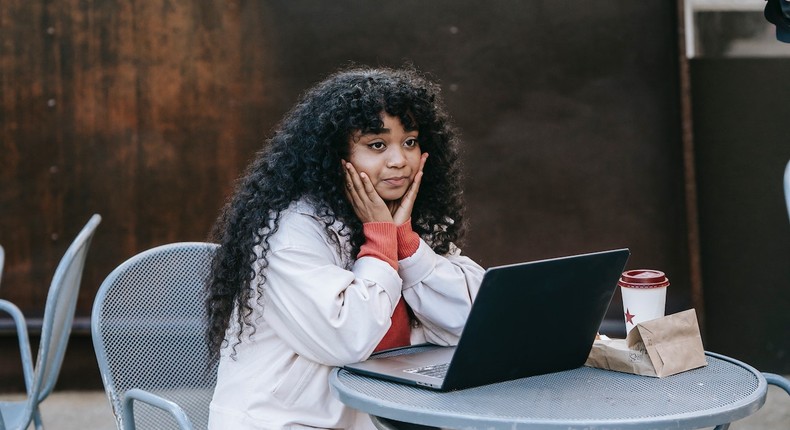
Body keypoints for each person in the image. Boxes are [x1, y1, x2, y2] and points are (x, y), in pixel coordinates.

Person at [206, 66, 484, 429]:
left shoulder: (412, 220)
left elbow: (472, 323)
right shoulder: (289, 232)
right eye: (377, 145)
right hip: (288, 421)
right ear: (333, 155)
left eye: (411, 141)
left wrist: (408, 246)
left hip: (384, 414)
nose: (399, 160)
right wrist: (381, 242)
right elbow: (346, 338)